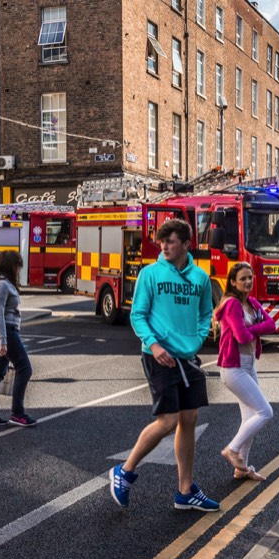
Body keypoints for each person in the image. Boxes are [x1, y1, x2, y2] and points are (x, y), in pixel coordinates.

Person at [109, 217, 218, 512]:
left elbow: (206, 313)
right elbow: (138, 315)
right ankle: (125, 471)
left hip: (188, 357)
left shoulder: (200, 278)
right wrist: (155, 346)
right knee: (168, 421)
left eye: (170, 241)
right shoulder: (151, 274)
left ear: (186, 244)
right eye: (162, 241)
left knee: (190, 418)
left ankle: (185, 491)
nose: (164, 246)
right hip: (159, 356)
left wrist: (196, 339)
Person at [215, 262, 277, 482]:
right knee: (265, 412)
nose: (248, 282)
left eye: (250, 277)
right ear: (233, 282)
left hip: (249, 364)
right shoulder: (232, 305)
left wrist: (252, 329)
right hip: (233, 367)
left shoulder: (251, 302)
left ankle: (241, 468)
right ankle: (231, 450)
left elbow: (273, 325)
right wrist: (257, 329)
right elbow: (241, 337)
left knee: (250, 417)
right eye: (243, 278)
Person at [0, 251, 36, 427]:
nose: (19, 270)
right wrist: (3, 340)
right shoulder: (2, 284)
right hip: (5, 332)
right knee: (24, 368)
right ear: (10, 266)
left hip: (4, 331)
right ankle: (17, 413)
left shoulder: (3, 283)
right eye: (18, 266)